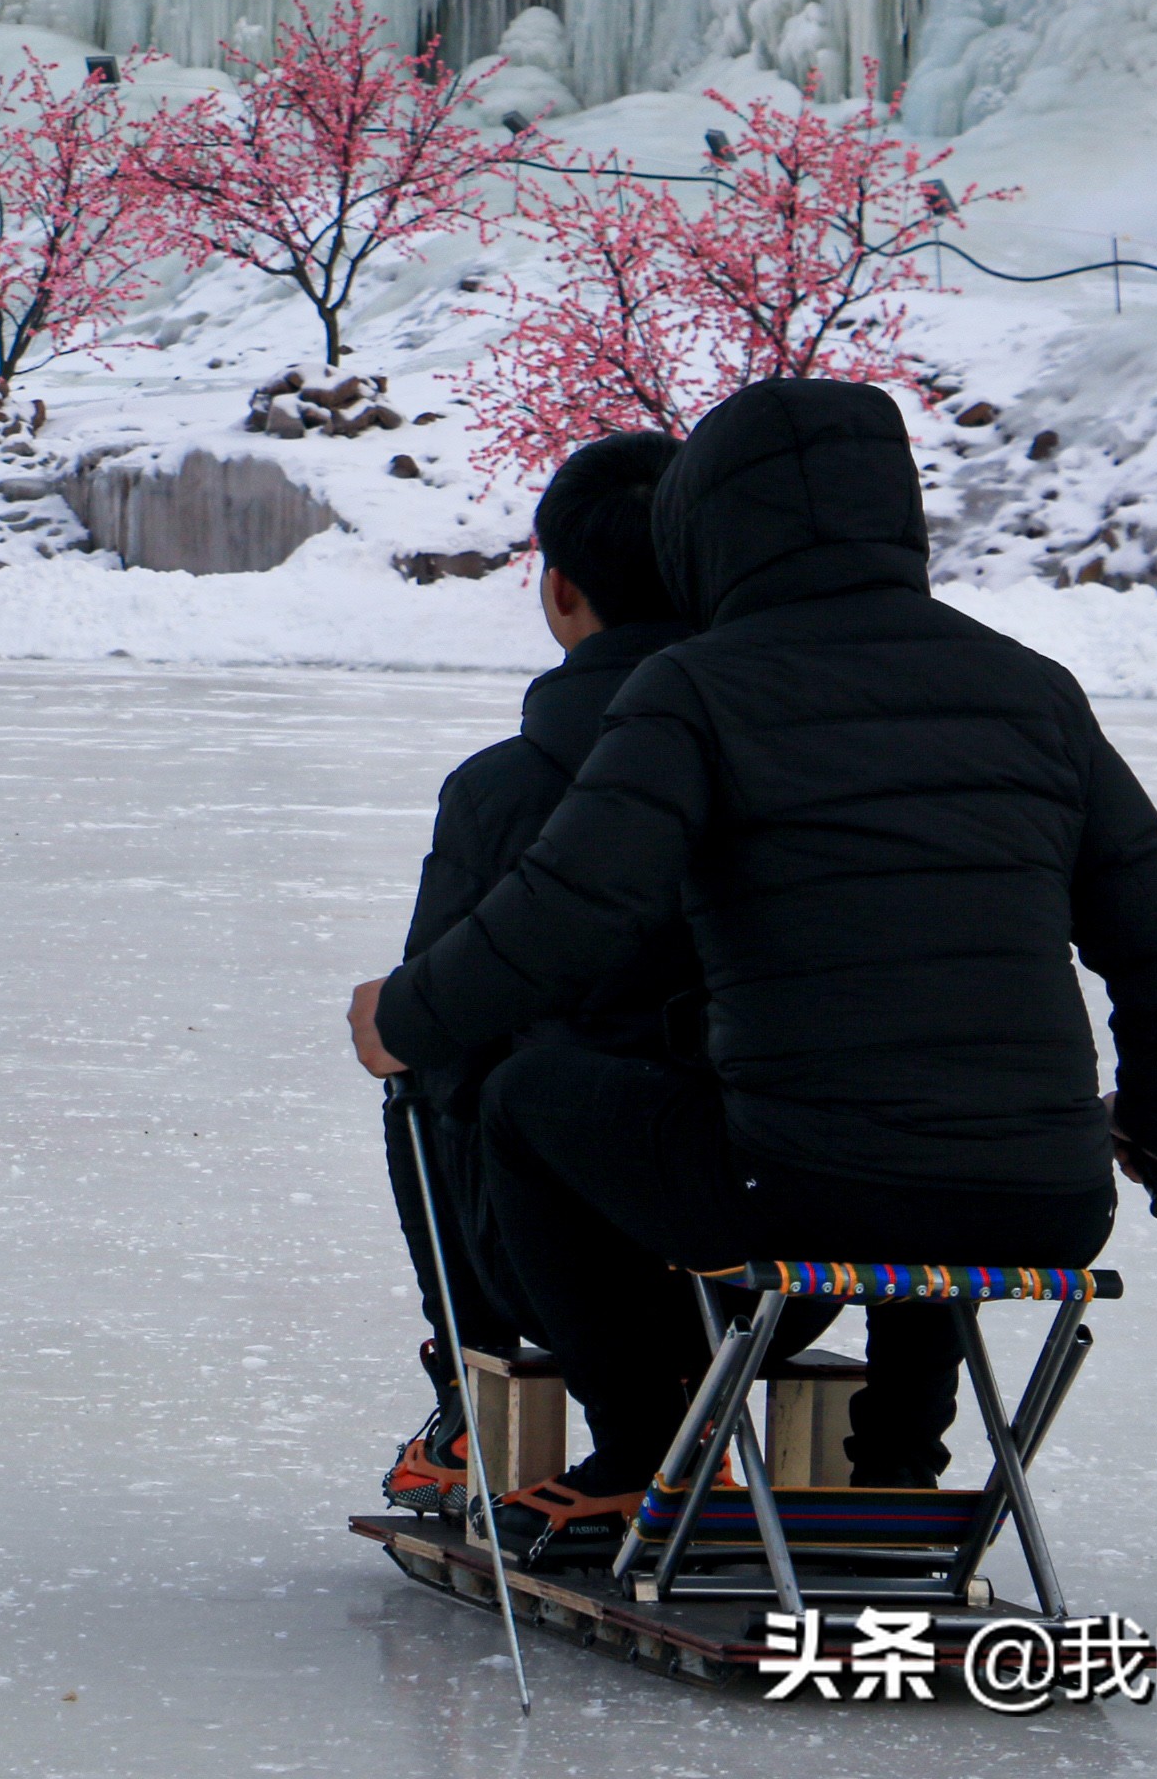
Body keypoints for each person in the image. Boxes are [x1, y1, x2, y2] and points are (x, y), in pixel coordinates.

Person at [354, 378, 1157, 1563]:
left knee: (528, 1097)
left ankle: (641, 1451)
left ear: (715, 528)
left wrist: (402, 1018)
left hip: (800, 1186)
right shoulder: (1033, 692)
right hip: (1055, 1198)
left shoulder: (704, 687)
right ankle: (900, 1462)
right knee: (937, 1084)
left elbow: (576, 903)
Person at [372, 432, 713, 1513]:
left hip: (557, 1259)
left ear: (559, 587)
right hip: (792, 1229)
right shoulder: (796, 765)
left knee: (412, 1050)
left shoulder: (501, 791)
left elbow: (434, 1033)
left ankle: (468, 1382)